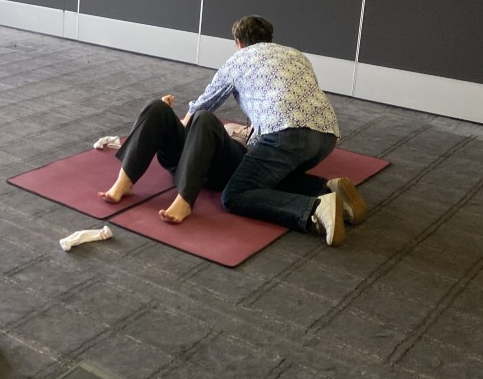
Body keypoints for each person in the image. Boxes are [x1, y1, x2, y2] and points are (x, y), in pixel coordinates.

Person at [184, 15, 367, 246]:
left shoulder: (238, 60)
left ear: (238, 42)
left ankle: (315, 207)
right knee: (265, 173)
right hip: (327, 136)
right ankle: (326, 189)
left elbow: (203, 105)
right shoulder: (296, 54)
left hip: (288, 136)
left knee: (235, 193)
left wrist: (181, 125)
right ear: (269, 38)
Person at [98, 95, 249, 224]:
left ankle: (184, 202)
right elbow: (200, 106)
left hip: (232, 162)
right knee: (158, 107)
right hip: (195, 149)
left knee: (205, 119)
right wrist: (168, 118)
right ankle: (124, 182)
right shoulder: (233, 72)